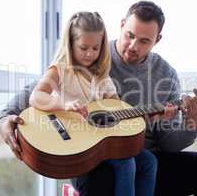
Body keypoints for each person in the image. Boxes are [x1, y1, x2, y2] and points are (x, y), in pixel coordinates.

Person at [0, 1, 197, 196]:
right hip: (89, 157)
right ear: (121, 26)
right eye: (129, 35)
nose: (133, 46)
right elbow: (33, 95)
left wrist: (190, 123)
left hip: (143, 155)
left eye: (144, 41)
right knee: (107, 177)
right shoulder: (91, 54)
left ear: (158, 40)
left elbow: (169, 145)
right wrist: (4, 120)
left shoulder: (166, 74)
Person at [28, 11, 165, 196]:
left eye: (96, 48)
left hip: (101, 142)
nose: (90, 54)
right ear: (70, 44)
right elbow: (36, 97)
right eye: (84, 47)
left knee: (149, 161)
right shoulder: (60, 70)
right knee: (126, 163)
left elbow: (116, 107)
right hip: (77, 143)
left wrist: (148, 114)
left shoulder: (101, 75)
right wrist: (65, 104)